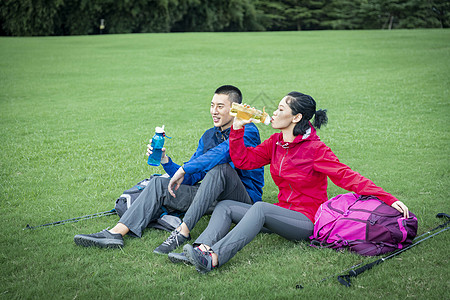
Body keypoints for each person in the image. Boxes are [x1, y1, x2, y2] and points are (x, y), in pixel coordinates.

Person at [172, 91, 410, 273]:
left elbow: (348, 176)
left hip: (306, 220)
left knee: (261, 208)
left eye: (280, 109)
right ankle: (200, 249)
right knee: (226, 206)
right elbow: (244, 161)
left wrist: (388, 198)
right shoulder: (276, 142)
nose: (274, 113)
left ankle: (214, 258)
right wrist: (237, 129)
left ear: (296, 117)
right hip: (279, 213)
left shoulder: (315, 150)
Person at [73, 85, 264, 251]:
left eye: (220, 107)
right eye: (212, 105)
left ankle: (183, 232)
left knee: (220, 169)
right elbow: (191, 176)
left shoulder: (248, 131)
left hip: (244, 199)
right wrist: (166, 161)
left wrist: (184, 169)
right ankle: (115, 233)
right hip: (212, 195)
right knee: (158, 183)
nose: (214, 111)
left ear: (234, 110)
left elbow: (223, 153)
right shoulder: (208, 136)